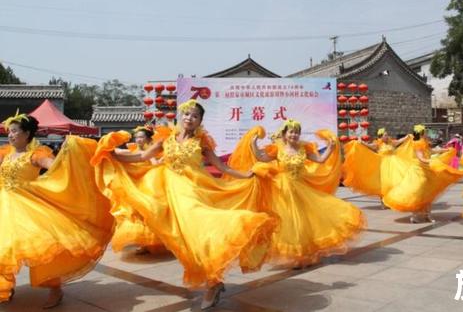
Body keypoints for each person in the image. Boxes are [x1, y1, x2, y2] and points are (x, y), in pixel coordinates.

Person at [91, 100, 277, 310]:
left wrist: (247, 174)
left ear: (199, 121)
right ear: (181, 116)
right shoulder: (165, 138)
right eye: (187, 114)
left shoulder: (202, 143)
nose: (190, 118)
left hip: (194, 193)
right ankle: (213, 282)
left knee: (201, 236)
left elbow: (221, 166)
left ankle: (213, 281)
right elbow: (142, 156)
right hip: (167, 193)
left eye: (195, 116)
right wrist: (112, 154)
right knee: (184, 244)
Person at [0, 111, 114, 308]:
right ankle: (4, 287)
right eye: (9, 132)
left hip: (28, 208)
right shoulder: (4, 154)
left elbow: (55, 167)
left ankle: (55, 289)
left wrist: (68, 155)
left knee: (44, 250)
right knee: (4, 249)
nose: (10, 135)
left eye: (15, 131)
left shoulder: (35, 155)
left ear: (27, 134)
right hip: (4, 205)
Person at [223, 120, 365, 267]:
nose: (294, 135)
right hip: (282, 190)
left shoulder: (303, 149)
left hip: (300, 188)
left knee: (303, 222)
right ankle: (295, 256)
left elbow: (320, 159)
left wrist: (331, 147)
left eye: (297, 132)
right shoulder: (277, 149)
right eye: (291, 131)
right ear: (285, 134)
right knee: (289, 223)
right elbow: (261, 158)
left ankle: (303, 254)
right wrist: (253, 144)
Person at [382, 124, 463, 223]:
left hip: (427, 169)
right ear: (422, 133)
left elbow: (431, 150)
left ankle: (427, 215)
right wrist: (430, 161)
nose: (426, 133)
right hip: (418, 170)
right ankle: (415, 215)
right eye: (425, 132)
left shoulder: (424, 142)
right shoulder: (417, 143)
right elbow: (420, 157)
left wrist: (445, 150)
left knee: (428, 192)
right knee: (418, 192)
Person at [110, 125, 165, 255]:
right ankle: (142, 241)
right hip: (133, 184)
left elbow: (154, 164)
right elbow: (117, 152)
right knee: (133, 212)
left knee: (144, 211)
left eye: (141, 137)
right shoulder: (133, 150)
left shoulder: (147, 151)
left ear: (147, 139)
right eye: (136, 137)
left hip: (145, 184)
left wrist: (161, 161)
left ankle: (146, 242)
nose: (138, 139)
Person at [342, 128, 410, 209]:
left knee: (394, 183)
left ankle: (392, 201)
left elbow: (399, 141)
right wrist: (361, 142)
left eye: (387, 135)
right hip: (383, 167)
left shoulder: (391, 142)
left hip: (394, 166)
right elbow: (368, 146)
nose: (387, 136)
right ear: (380, 137)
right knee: (383, 185)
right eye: (385, 135)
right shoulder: (378, 144)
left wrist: (407, 137)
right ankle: (383, 203)